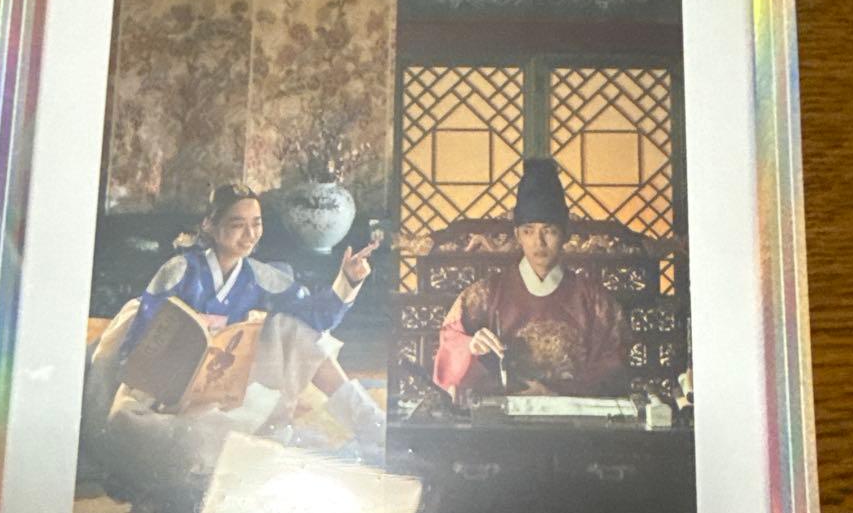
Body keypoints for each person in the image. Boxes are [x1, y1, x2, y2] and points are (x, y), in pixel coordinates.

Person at [83, 183, 384, 490]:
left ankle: (368, 421)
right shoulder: (179, 271)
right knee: (163, 438)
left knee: (295, 329)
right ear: (210, 226)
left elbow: (316, 317)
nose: (250, 234)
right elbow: (140, 342)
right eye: (238, 225)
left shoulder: (259, 275)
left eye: (257, 224)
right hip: (164, 389)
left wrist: (348, 279)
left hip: (226, 382)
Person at [433, 158, 626, 399]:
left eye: (549, 231)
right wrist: (470, 347)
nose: (539, 242)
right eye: (528, 231)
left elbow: (613, 367)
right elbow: (451, 346)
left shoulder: (595, 301)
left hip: (572, 415)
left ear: (565, 234)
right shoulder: (484, 295)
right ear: (517, 235)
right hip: (502, 416)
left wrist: (556, 393)